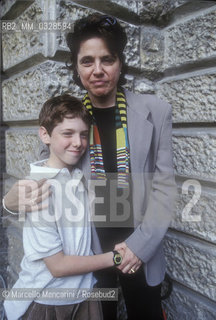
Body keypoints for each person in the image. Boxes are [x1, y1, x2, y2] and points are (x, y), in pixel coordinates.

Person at [3, 13, 176, 320]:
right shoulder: (67, 118)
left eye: (106, 59)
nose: (98, 70)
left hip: (142, 246)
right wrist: (9, 203)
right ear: (77, 67)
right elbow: (41, 175)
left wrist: (137, 247)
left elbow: (164, 189)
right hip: (89, 255)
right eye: (87, 61)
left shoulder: (156, 111)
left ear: (120, 63)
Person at [3, 94, 124, 320]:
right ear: (45, 135)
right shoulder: (38, 189)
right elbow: (58, 266)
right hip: (48, 300)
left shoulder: (78, 177)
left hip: (84, 294)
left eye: (83, 134)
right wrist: (116, 258)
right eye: (67, 133)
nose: (78, 142)